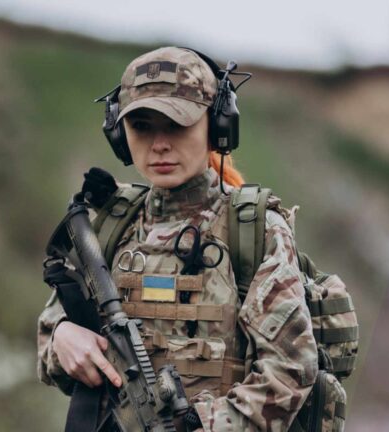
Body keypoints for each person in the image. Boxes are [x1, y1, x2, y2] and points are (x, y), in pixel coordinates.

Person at [37, 46, 318, 432]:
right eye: (142, 126)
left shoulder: (254, 231)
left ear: (217, 126)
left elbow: (289, 370)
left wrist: (196, 425)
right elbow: (50, 333)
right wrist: (62, 339)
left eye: (176, 124)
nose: (159, 144)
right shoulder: (112, 225)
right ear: (119, 133)